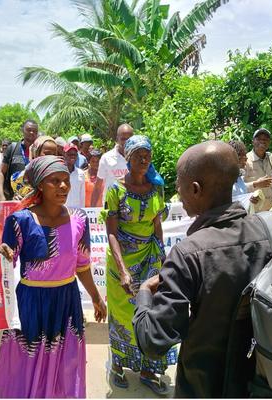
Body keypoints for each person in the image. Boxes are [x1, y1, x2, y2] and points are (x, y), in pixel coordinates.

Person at [133, 141, 272, 398]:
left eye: (179, 182)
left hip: (202, 388)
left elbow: (153, 341)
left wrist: (143, 293)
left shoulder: (188, 254)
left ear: (195, 189)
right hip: (260, 385)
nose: (177, 189)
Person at [0, 155, 107, 398]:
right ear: (40, 185)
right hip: (31, 302)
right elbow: (5, 264)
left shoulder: (79, 219)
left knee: (65, 364)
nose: (63, 186)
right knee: (28, 362)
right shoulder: (20, 220)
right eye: (55, 181)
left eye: (66, 180)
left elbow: (82, 266)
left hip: (66, 301)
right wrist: (2, 254)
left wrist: (96, 298)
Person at [103, 135, 175, 394]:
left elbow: (157, 226)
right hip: (122, 262)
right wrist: (123, 271)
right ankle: (117, 366)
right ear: (128, 158)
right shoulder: (116, 190)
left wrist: (164, 259)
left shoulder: (157, 189)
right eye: (138, 155)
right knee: (123, 316)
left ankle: (147, 370)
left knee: (151, 312)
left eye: (147, 155)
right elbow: (111, 232)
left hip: (149, 257)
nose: (144, 160)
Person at [91, 124, 133, 206]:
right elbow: (97, 187)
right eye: (123, 139)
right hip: (111, 207)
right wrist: (92, 211)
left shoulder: (138, 157)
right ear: (117, 139)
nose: (126, 142)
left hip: (132, 206)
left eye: (129, 139)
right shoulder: (106, 158)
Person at [243, 128, 272, 211]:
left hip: (271, 209)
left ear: (269, 143)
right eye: (259, 139)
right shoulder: (245, 160)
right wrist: (256, 184)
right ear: (253, 141)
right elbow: (239, 188)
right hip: (253, 211)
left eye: (265, 139)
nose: (262, 141)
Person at [11, 136, 57, 200]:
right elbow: (18, 196)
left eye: (54, 154)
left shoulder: (58, 176)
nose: (51, 157)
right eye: (47, 153)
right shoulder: (21, 178)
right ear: (36, 153)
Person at [2, 120, 38, 199]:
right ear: (22, 131)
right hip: (14, 199)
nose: (32, 132)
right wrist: (1, 194)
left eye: (35, 131)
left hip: (35, 200)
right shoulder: (12, 148)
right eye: (29, 130)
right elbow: (1, 173)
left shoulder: (40, 152)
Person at [64, 143, 85, 208]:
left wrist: (82, 210)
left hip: (76, 212)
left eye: (75, 154)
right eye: (70, 154)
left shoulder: (81, 173)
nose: (72, 156)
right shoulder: (59, 172)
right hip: (62, 211)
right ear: (64, 154)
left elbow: (82, 195)